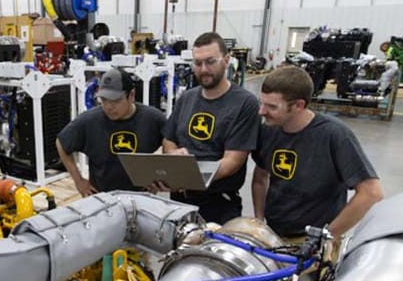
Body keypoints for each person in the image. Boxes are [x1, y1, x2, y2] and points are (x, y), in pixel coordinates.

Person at [251, 66, 383, 241]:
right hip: (274, 233)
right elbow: (260, 177)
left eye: (272, 106)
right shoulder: (269, 129)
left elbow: (371, 193)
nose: (261, 111)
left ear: (299, 105)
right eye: (262, 103)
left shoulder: (335, 135)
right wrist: (259, 221)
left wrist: (325, 237)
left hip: (313, 240)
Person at [159, 32, 259, 224]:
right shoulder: (187, 98)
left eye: (210, 61)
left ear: (227, 60)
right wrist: (173, 155)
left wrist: (188, 176)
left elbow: (232, 161)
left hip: (219, 203)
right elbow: (169, 139)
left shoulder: (245, 103)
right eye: (197, 63)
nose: (203, 69)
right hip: (180, 201)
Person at [56, 68, 167, 195]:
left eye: (115, 101)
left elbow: (170, 143)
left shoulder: (153, 119)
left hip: (142, 196)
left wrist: (159, 178)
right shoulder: (89, 121)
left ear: (131, 96)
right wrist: (79, 181)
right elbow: (61, 143)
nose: (109, 107)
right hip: (102, 197)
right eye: (104, 100)